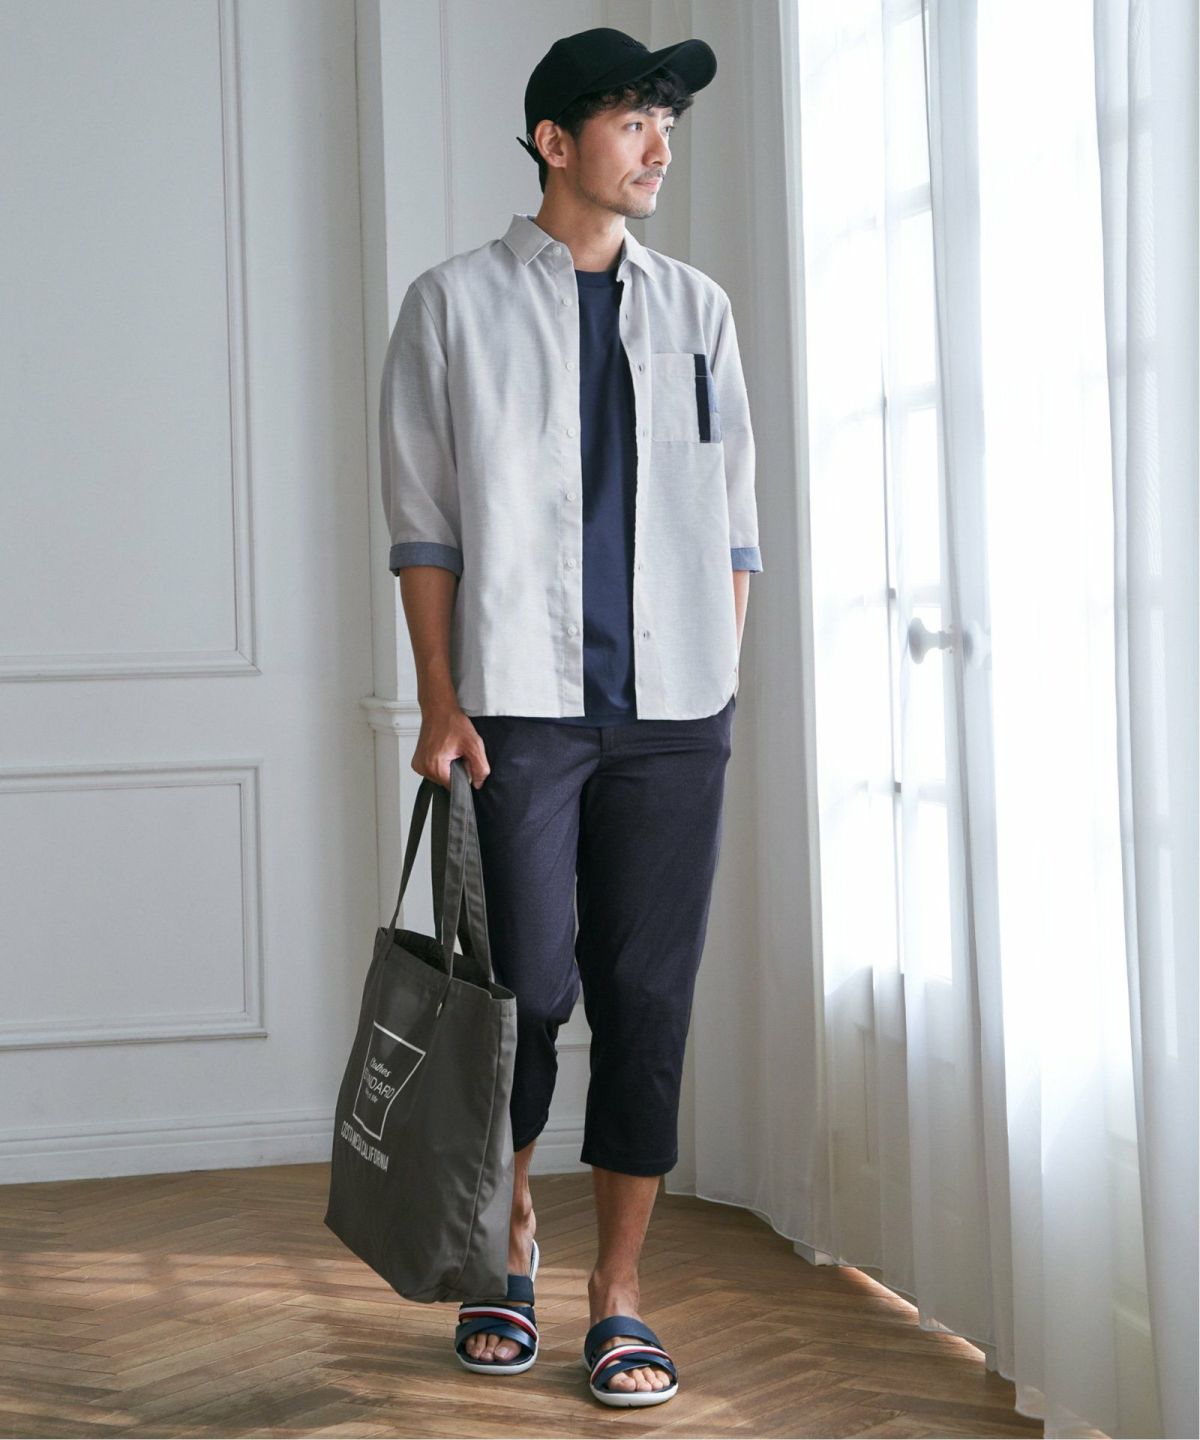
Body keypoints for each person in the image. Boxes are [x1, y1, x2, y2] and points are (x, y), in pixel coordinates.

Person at [379, 25, 762, 1409]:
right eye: (633, 117)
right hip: (519, 714)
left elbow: (736, 523)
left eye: (669, 120)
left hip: (675, 719)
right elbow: (424, 528)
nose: (660, 144)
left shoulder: (699, 310)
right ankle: (508, 1243)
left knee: (648, 1002)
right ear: (555, 140)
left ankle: (619, 1295)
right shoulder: (451, 306)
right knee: (526, 1000)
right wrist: (439, 699)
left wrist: (716, 672)